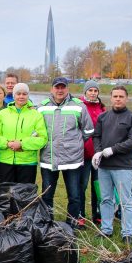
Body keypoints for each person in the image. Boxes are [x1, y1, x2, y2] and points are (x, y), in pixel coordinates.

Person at [37, 76, 94, 228]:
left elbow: (88, 130)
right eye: (57, 87)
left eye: (63, 87)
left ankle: (72, 223)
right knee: (47, 194)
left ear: (67, 89)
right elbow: (36, 131)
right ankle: (47, 223)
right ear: (52, 89)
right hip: (48, 159)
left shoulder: (78, 106)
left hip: (72, 160)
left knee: (74, 195)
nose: (60, 90)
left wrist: (74, 143)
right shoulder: (41, 107)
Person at [92, 85, 132, 247]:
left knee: (125, 201)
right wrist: (98, 152)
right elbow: (97, 136)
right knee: (105, 199)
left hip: (123, 167)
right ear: (111, 98)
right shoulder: (103, 117)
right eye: (115, 96)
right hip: (104, 167)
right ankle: (106, 229)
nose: (118, 99)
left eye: (121, 96)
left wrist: (112, 150)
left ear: (126, 98)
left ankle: (127, 232)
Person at [0, 82, 47, 184]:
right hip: (5, 162)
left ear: (28, 95)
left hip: (27, 163)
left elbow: (42, 138)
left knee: (24, 196)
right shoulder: (3, 113)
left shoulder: (36, 115)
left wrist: (22, 144)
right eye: (18, 93)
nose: (21, 96)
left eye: (24, 94)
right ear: (14, 95)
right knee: (5, 196)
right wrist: (7, 143)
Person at [79, 80, 106, 228]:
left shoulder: (102, 108)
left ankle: (98, 215)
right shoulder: (79, 106)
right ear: (85, 92)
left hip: (98, 154)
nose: (93, 93)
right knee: (81, 186)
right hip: (83, 154)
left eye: (95, 91)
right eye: (90, 90)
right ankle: (80, 214)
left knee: (98, 186)